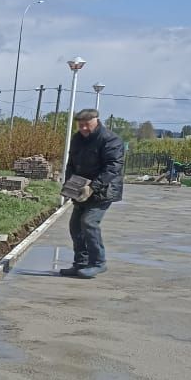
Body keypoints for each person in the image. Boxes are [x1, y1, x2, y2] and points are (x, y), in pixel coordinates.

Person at [60, 109, 125, 279]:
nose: (83, 129)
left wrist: (93, 187)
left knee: (88, 222)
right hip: (81, 189)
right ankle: (80, 263)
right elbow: (71, 164)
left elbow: (113, 167)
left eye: (86, 125)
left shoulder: (110, 140)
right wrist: (69, 186)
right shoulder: (77, 139)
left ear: (96, 121)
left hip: (103, 191)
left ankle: (98, 262)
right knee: (75, 226)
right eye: (80, 125)